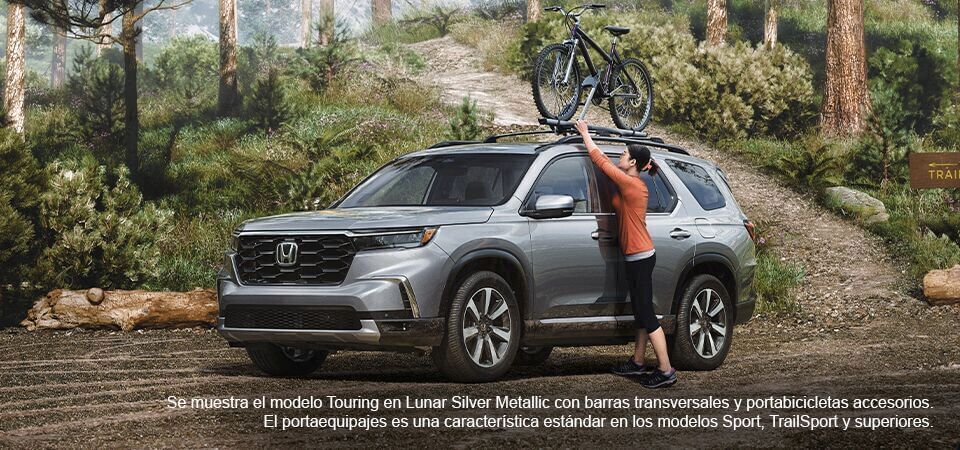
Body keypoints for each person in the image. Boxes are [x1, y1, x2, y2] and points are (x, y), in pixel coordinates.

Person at [574, 119, 677, 389]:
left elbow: (600, 161)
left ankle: (666, 370)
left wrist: (585, 134)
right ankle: (638, 361)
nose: (620, 157)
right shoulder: (631, 182)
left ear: (632, 163)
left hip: (641, 256)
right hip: (638, 256)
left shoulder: (632, 184)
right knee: (641, 311)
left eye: (624, 154)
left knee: (646, 314)